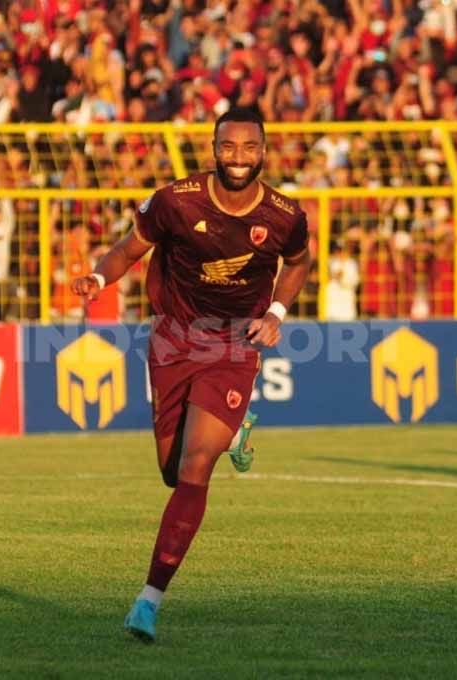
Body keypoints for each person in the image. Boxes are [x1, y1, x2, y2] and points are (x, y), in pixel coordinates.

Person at [70, 107, 311, 643]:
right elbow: (129, 250)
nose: (239, 157)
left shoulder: (284, 215)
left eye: (249, 147)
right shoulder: (175, 202)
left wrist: (276, 314)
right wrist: (96, 276)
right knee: (173, 472)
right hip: (174, 339)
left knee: (197, 465)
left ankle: (149, 600)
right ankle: (235, 426)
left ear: (264, 151)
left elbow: (298, 263)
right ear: (214, 146)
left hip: (233, 343)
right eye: (229, 146)